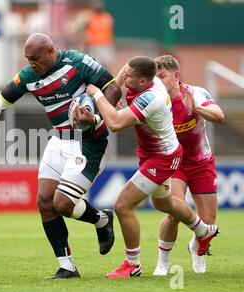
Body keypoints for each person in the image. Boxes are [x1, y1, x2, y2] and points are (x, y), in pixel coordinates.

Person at [0, 33, 122, 279]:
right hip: (58, 141)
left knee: (62, 203)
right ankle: (67, 267)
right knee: (44, 201)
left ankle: (101, 220)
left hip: (89, 142)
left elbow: (113, 88)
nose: (31, 64)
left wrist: (95, 118)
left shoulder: (78, 62)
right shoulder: (29, 76)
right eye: (27, 59)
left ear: (52, 51)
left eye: (36, 58)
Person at [83, 56, 219, 278]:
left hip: (162, 158)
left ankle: (132, 265)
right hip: (152, 154)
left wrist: (97, 95)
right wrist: (112, 96)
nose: (125, 77)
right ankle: (203, 231)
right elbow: (117, 84)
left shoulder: (152, 98)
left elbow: (116, 123)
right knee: (164, 203)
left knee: (122, 206)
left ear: (145, 80)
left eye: (129, 76)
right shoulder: (136, 79)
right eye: (125, 73)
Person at [152, 55, 225, 275]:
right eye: (154, 78)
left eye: (161, 76)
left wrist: (196, 109)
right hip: (174, 163)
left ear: (176, 76)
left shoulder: (196, 93)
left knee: (208, 222)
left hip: (201, 161)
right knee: (174, 211)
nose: (157, 81)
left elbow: (219, 116)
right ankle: (162, 263)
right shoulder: (155, 99)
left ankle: (196, 247)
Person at [83, 1, 115, 70]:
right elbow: (86, 33)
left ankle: (107, 77)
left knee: (106, 62)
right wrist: (86, 44)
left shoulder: (107, 17)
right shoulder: (90, 18)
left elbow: (110, 30)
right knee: (95, 63)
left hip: (105, 44)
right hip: (94, 45)